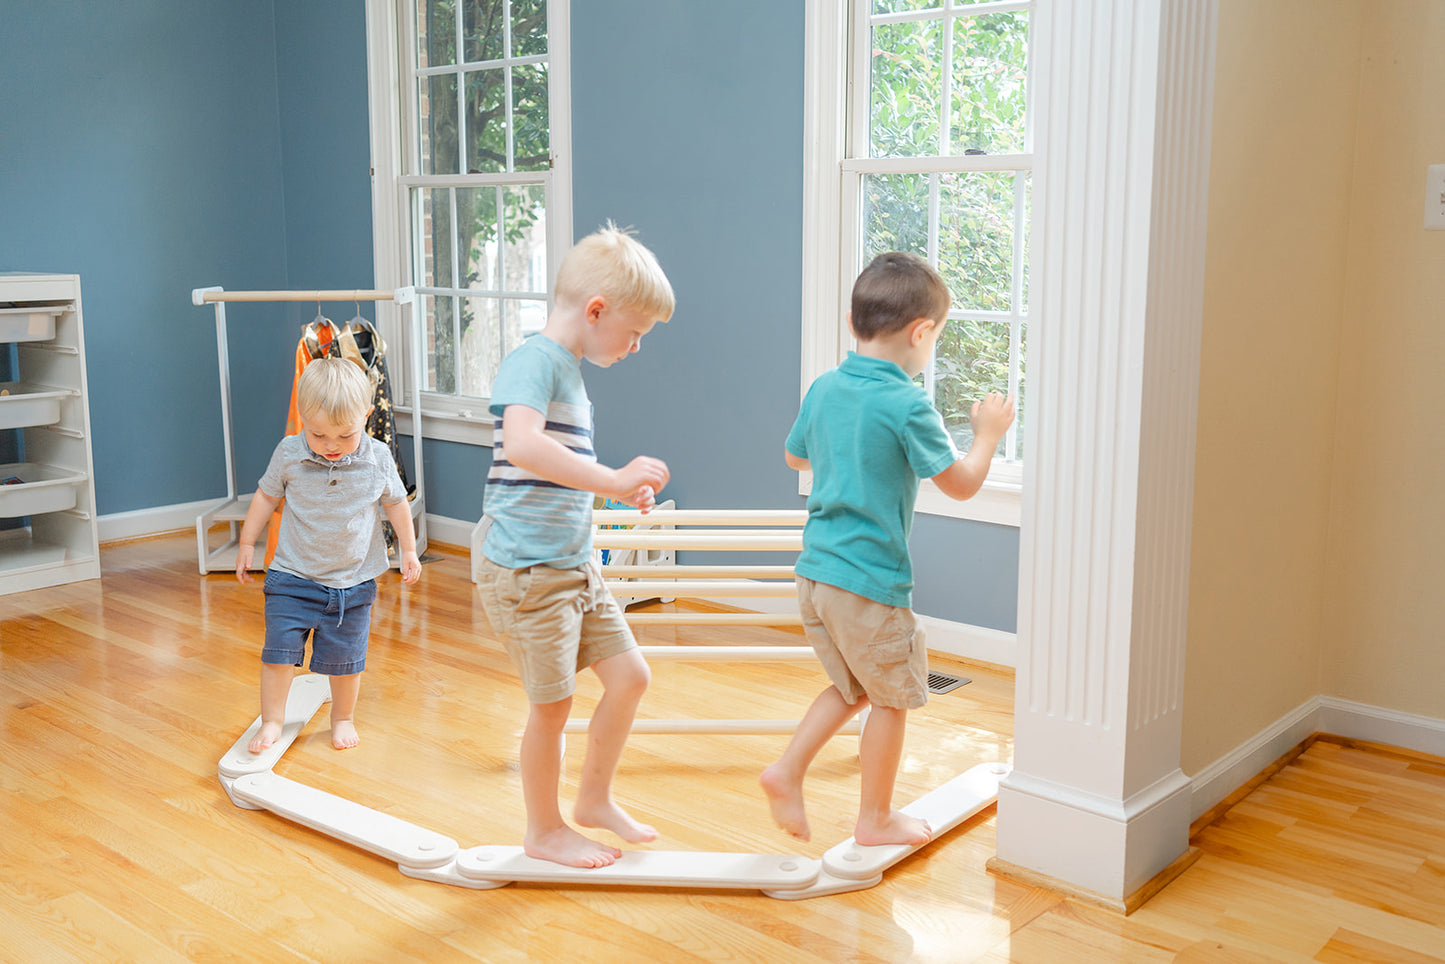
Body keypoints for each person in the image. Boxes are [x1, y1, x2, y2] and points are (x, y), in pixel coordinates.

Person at [761, 251, 1015, 847]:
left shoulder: (826, 387)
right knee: (892, 700)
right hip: (869, 582)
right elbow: (959, 484)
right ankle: (874, 819)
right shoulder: (908, 403)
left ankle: (786, 769)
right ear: (921, 332)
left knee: (851, 689)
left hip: (817, 574)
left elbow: (797, 456)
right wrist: (987, 436)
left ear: (854, 324)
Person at [474, 223, 674, 869]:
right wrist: (613, 481)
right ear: (595, 311)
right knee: (552, 705)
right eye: (635, 331)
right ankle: (543, 831)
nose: (637, 346)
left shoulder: (568, 369)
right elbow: (525, 445)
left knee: (629, 678)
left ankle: (593, 801)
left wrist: (613, 491)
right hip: (528, 572)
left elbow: (555, 468)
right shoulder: (535, 360)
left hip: (571, 565)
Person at [235, 355, 422, 755]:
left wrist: (408, 549)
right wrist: (248, 542)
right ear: (303, 417)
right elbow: (266, 495)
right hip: (292, 577)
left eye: (344, 436)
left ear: (367, 417)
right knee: (278, 655)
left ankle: (342, 718)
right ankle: (271, 721)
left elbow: (396, 504)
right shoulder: (289, 453)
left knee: (346, 661)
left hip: (352, 584)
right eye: (318, 436)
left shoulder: (377, 459)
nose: (331, 446)